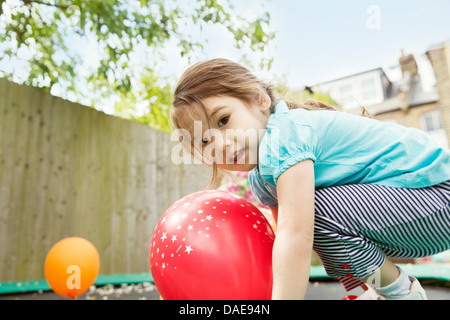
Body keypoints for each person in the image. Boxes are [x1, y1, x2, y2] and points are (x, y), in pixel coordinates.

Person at [169, 58, 450, 300]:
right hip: (413, 214)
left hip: (436, 197)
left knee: (308, 215)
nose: (219, 144)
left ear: (259, 100)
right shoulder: (261, 179)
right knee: (308, 220)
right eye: (204, 140)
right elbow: (284, 240)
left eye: (223, 120)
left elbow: (296, 238)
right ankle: (373, 290)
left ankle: (401, 292)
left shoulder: (286, 135)